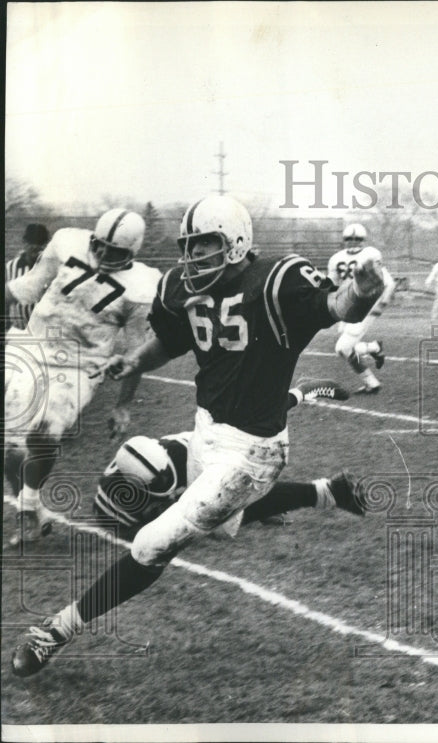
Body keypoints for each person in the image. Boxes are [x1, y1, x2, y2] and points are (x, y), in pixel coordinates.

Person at [10, 194, 385, 677]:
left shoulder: (275, 279)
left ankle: (55, 630)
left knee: (150, 543)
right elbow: (169, 341)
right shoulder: (179, 288)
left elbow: (338, 306)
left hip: (251, 454)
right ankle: (326, 492)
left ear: (236, 243)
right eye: (188, 247)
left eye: (205, 246)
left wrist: (364, 291)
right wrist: (135, 360)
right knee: (213, 510)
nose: (192, 258)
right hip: (206, 430)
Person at [4, 209, 161, 545]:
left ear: (132, 253)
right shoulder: (67, 242)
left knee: (45, 434)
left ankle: (27, 511)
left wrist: (123, 405)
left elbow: (135, 352)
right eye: (99, 246)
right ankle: (32, 509)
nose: (103, 255)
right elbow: (28, 287)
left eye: (115, 252)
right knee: (10, 446)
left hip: (79, 366)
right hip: (32, 346)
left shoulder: (141, 287)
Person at [92, 379, 362, 538]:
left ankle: (302, 392)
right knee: (218, 519)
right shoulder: (115, 497)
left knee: (223, 517)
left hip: (213, 447)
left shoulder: (175, 461)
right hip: (202, 453)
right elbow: (132, 530)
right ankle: (327, 492)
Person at [326, 223, 392, 394]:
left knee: (342, 348)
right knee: (347, 348)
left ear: (363, 240)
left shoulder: (371, 254)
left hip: (367, 305)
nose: (353, 242)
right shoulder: (335, 258)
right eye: (349, 239)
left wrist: (382, 302)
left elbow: (386, 281)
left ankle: (372, 382)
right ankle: (373, 348)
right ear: (344, 241)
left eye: (357, 239)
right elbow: (332, 285)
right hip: (348, 305)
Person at [5, 223, 50, 333]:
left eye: (40, 243)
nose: (35, 246)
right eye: (31, 242)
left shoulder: (52, 269)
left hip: (44, 331)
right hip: (19, 330)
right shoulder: (10, 267)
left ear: (47, 245)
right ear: (24, 243)